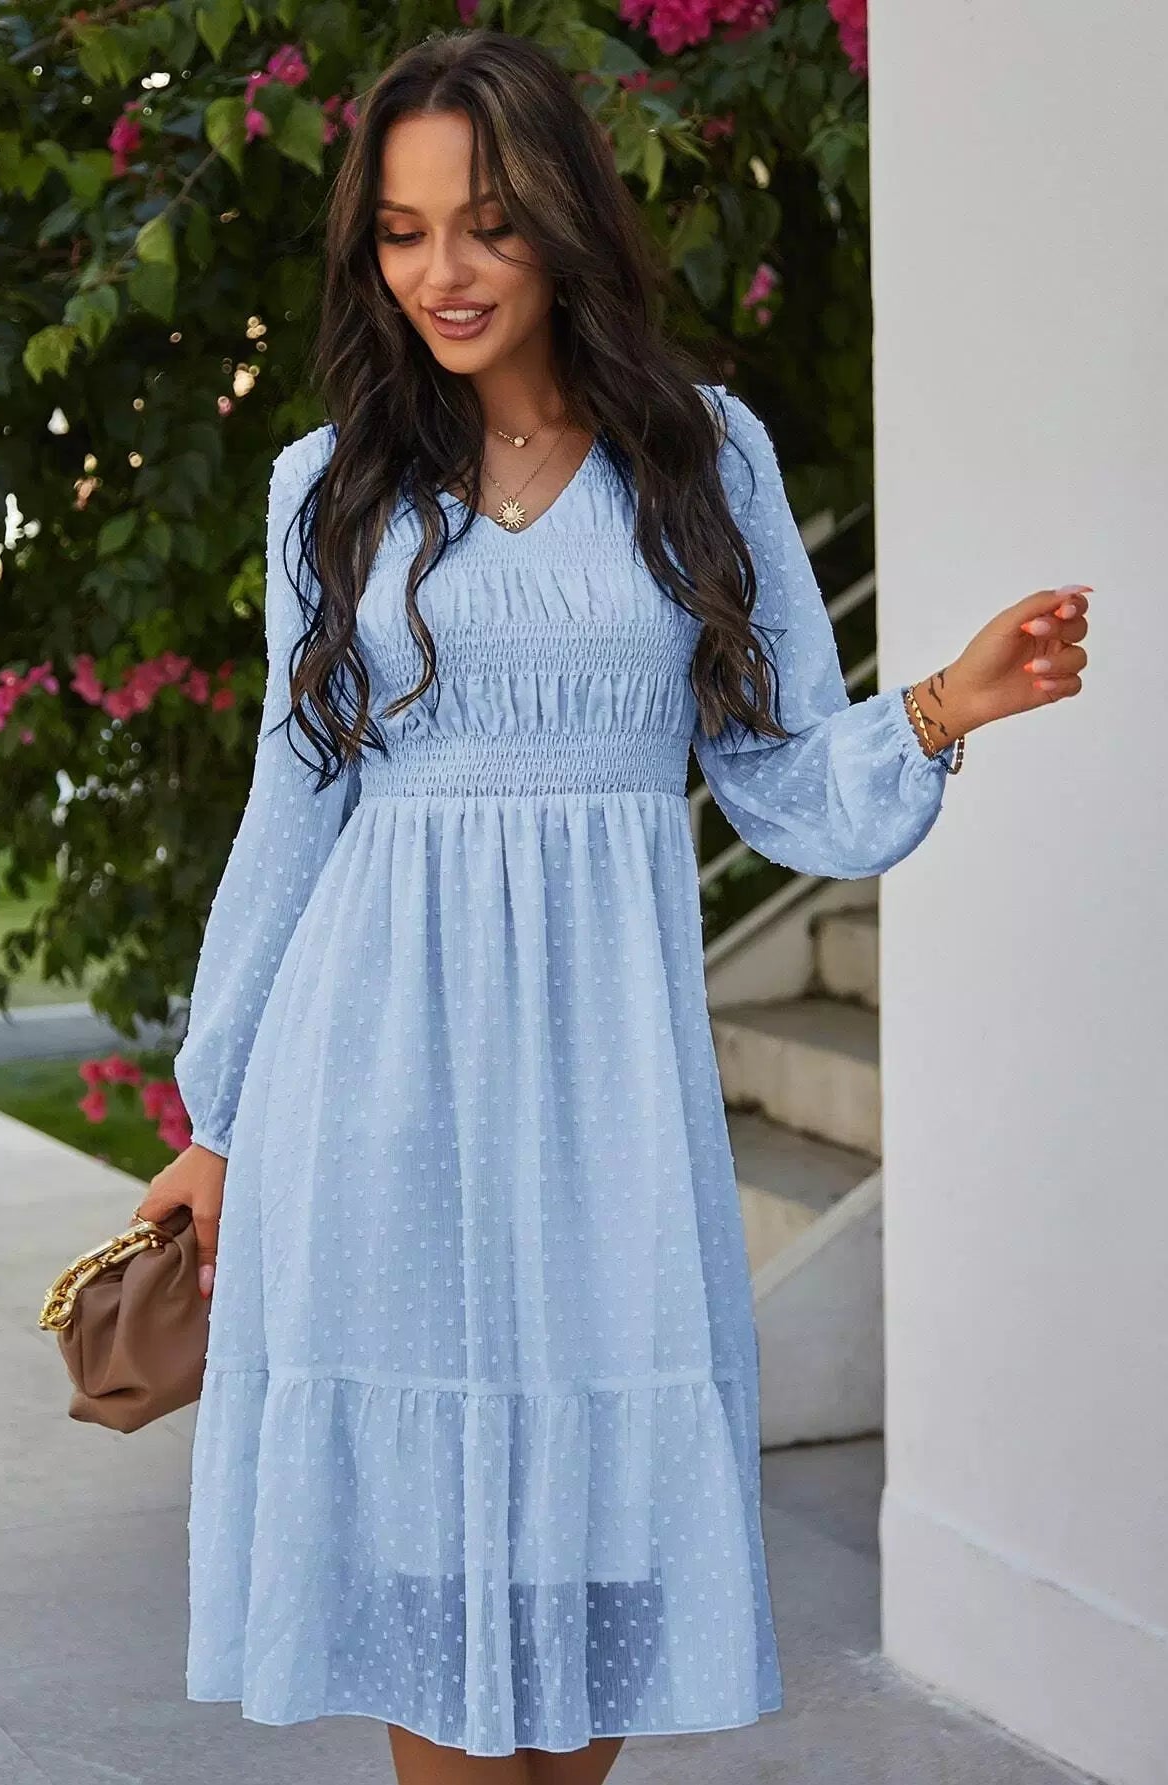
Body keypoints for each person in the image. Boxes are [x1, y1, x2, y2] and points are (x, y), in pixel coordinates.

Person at [132, 26, 1091, 1785]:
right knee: (436, 1591)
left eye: (486, 223)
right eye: (404, 232)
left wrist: (945, 704)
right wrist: (221, 1117)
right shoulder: (328, 490)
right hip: (381, 1090)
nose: (443, 270)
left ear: (563, 218)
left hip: (610, 1109)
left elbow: (782, 780)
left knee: (596, 1602)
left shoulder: (704, 458)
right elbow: (294, 804)